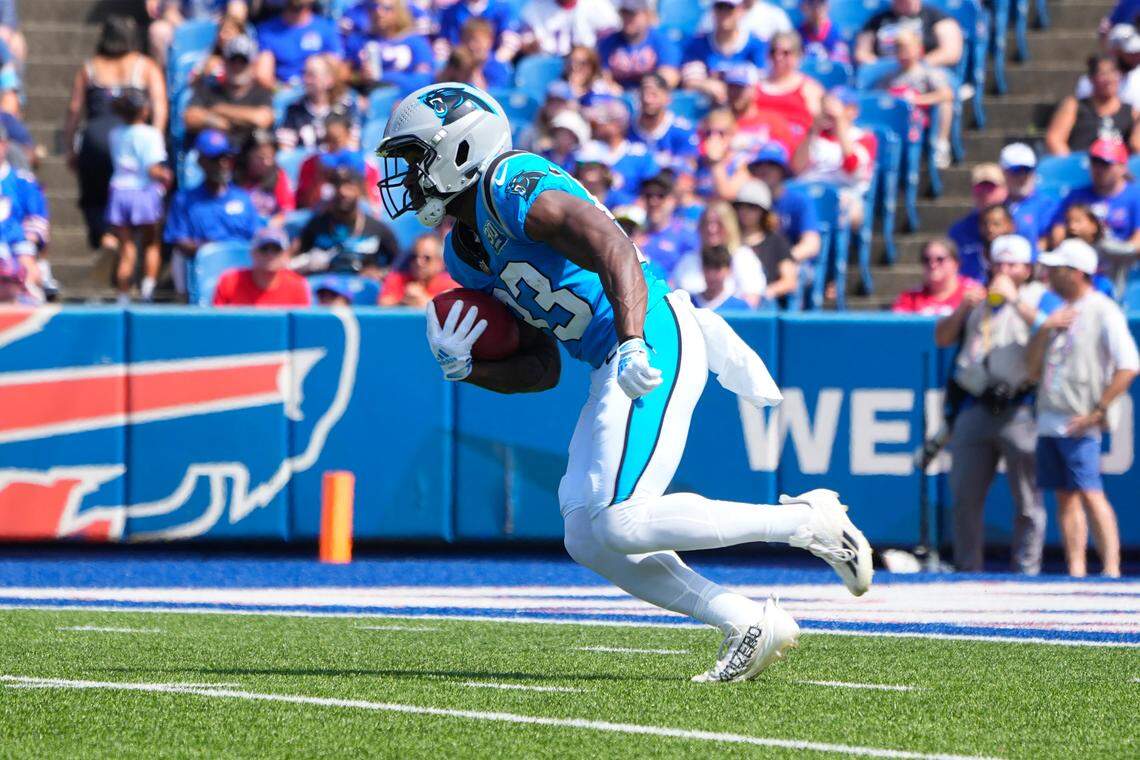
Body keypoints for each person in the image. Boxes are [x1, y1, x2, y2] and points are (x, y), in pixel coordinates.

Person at [376, 82, 872, 682]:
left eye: (414, 159)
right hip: (609, 355)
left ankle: (807, 523)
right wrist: (469, 368)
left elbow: (616, 245)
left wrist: (634, 338)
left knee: (621, 517)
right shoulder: (462, 255)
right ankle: (745, 620)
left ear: (458, 149)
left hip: (652, 332)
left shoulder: (511, 184)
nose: (407, 178)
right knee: (586, 532)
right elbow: (541, 367)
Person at [934, 234, 1050, 575]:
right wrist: (962, 308)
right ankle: (968, 567)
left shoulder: (1039, 297)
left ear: (1027, 269)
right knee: (964, 497)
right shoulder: (979, 301)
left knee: (1028, 500)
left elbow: (1051, 331)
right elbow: (941, 338)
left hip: (1020, 406)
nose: (1003, 270)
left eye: (1012, 264)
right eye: (999, 263)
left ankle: (1027, 568)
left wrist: (1015, 301)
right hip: (977, 405)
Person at [1027, 238, 1139, 578]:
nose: (1049, 274)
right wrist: (1044, 330)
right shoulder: (1057, 312)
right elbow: (1033, 370)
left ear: (1076, 273)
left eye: (1058, 269)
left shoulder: (1103, 309)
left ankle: (1111, 568)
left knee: (1090, 492)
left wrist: (1099, 409)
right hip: (1051, 416)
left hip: (1078, 419)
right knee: (1065, 496)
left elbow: (1129, 364)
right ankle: (1076, 567)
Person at [62, 16, 167, 250]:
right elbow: (160, 105)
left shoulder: (90, 67)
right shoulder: (146, 65)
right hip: (133, 141)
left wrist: (69, 146)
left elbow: (74, 109)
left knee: (94, 194)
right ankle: (128, 241)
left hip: (96, 137)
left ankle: (104, 236)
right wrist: (155, 142)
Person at [164, 129, 263, 296]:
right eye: (215, 159)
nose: (222, 164)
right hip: (205, 273)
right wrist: (211, 249)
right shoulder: (184, 200)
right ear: (201, 162)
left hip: (243, 275)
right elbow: (179, 240)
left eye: (226, 158)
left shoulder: (243, 198)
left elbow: (256, 236)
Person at [105, 91, 171, 304]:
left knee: (127, 248)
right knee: (151, 243)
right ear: (144, 110)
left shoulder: (114, 134)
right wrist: (166, 176)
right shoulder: (151, 135)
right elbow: (152, 169)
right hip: (143, 192)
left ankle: (123, 295)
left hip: (119, 192)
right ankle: (147, 290)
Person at [294, 152, 398, 278]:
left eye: (349, 185)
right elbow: (294, 260)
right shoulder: (316, 225)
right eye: (338, 185)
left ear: (360, 189)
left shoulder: (377, 228)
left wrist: (380, 273)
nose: (342, 191)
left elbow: (400, 265)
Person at [791, 88, 876, 230]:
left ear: (853, 111)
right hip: (807, 191)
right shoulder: (813, 135)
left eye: (838, 106)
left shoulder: (862, 137)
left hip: (844, 193)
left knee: (847, 210)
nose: (829, 111)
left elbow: (852, 168)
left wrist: (839, 122)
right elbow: (796, 168)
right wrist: (813, 130)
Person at [873, 28, 954, 169]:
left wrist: (915, 100)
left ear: (918, 49)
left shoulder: (927, 73)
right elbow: (876, 98)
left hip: (916, 120)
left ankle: (941, 145)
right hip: (892, 121)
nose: (903, 54)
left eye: (907, 49)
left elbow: (947, 94)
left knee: (945, 105)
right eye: (899, 49)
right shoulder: (889, 77)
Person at [1049, 137, 1140, 255]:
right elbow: (1058, 235)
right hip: (1081, 262)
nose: (1099, 169)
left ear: (1122, 167)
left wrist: (1115, 250)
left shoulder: (1136, 196)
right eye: (1095, 161)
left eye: (1105, 164)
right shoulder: (1075, 196)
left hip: (1119, 266)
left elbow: (1138, 241)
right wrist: (1075, 234)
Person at [183, 34, 274, 148]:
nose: (237, 66)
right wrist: (215, 121)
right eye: (233, 60)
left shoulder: (260, 91)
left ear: (252, 65)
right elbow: (190, 117)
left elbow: (262, 118)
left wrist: (219, 110)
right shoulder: (209, 88)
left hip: (247, 154)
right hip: (213, 158)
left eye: (243, 61)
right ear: (225, 62)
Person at [1046, 55, 1140, 156]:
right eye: (1103, 74)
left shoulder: (1132, 112)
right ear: (1091, 78)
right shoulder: (1074, 106)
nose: (1109, 79)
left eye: (1113, 72)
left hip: (1117, 168)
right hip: (1081, 165)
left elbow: (1136, 144)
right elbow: (1054, 139)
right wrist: (1071, 164)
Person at [682, 0, 769, 105]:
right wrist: (707, 85)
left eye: (729, 8)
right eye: (720, 7)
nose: (724, 13)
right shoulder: (698, 43)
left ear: (741, 10)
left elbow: (763, 82)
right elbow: (690, 82)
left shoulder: (756, 44)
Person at [750, 32, 824, 154]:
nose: (778, 57)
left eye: (786, 53)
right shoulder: (755, 85)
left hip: (796, 150)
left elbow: (818, 123)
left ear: (797, 56)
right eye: (774, 52)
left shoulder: (809, 88)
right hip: (759, 148)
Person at [580, 97, 659, 207]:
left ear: (617, 125)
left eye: (600, 121)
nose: (595, 125)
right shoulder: (587, 153)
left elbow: (654, 189)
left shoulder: (639, 155)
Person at [343, 0, 434, 95]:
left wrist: (383, 77)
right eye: (374, 7)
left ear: (399, 12)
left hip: (404, 99)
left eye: (386, 8)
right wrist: (360, 77)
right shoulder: (360, 41)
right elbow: (344, 76)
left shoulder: (415, 42)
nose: (379, 12)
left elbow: (424, 80)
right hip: (368, 97)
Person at [276, 54, 361, 152]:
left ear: (329, 80)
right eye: (304, 74)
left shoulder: (346, 107)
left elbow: (352, 147)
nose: (306, 80)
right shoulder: (294, 110)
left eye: (312, 75)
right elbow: (286, 153)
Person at [213, 226, 312, 307]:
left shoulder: (297, 286)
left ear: (285, 255)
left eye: (276, 249)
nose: (270, 255)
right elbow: (217, 324)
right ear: (252, 253)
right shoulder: (229, 282)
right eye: (264, 249)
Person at [254, 0, 344, 87]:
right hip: (284, 92)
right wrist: (283, 90)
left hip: (318, 89)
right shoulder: (267, 31)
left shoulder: (326, 28)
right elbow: (264, 75)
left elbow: (336, 69)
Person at [729, 181, 791, 305]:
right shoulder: (728, 238)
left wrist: (764, 293)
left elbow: (789, 281)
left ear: (763, 212)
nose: (745, 211)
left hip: (764, 307)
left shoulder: (777, 241)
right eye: (741, 206)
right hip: (730, 303)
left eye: (752, 207)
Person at [854, 0, 963, 69]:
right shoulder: (876, 20)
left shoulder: (937, 18)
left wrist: (917, 66)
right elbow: (861, 53)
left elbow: (951, 52)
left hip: (926, 72)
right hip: (885, 74)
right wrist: (883, 67)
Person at [598, 0, 681, 90]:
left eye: (632, 14)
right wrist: (610, 87)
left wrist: (645, 91)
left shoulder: (661, 40)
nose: (627, 18)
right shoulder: (608, 42)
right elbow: (602, 74)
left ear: (647, 15)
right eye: (624, 13)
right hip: (618, 98)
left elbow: (670, 75)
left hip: (650, 96)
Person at [892, 238, 981, 316]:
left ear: (956, 263)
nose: (932, 265)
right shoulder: (909, 299)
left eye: (940, 259)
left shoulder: (972, 292)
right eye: (926, 260)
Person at [628, 74, 699, 169]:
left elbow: (690, 168)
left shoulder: (681, 130)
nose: (647, 100)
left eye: (654, 95)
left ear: (667, 98)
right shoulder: (626, 129)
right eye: (643, 94)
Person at [637, 172, 699, 278]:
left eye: (661, 196)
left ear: (673, 200)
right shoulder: (635, 232)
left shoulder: (686, 235)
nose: (653, 201)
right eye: (648, 196)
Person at [1001, 143, 1058, 254]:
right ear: (1004, 173)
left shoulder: (1047, 205)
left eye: (1027, 170)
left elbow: (1047, 241)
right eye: (1016, 171)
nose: (1022, 177)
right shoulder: (997, 204)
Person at [378, 234, 458, 306]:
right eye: (414, 256)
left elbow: (456, 308)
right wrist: (403, 301)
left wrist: (424, 300)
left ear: (440, 262)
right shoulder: (397, 279)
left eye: (427, 258)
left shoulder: (451, 285)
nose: (418, 262)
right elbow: (382, 304)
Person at [518, 0, 619, 57]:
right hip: (545, 66)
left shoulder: (596, 4)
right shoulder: (536, 7)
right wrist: (528, 44)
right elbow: (525, 39)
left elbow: (613, 36)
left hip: (585, 67)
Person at [235, 129, 295, 223]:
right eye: (260, 157)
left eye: (270, 157)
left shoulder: (278, 175)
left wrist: (271, 225)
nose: (267, 163)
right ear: (247, 156)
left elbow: (286, 211)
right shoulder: (234, 176)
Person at [689, 245, 757, 312]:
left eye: (717, 268)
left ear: (729, 269)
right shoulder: (688, 304)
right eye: (708, 268)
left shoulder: (740, 308)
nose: (712, 274)